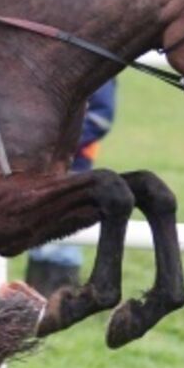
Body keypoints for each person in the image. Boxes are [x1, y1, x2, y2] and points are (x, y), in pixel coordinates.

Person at [25, 79, 118, 296]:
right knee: (39, 233)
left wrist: (56, 143)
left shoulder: (100, 72)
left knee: (62, 237)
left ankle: (60, 296)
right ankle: (38, 296)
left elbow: (101, 117)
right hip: (40, 162)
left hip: (73, 163)